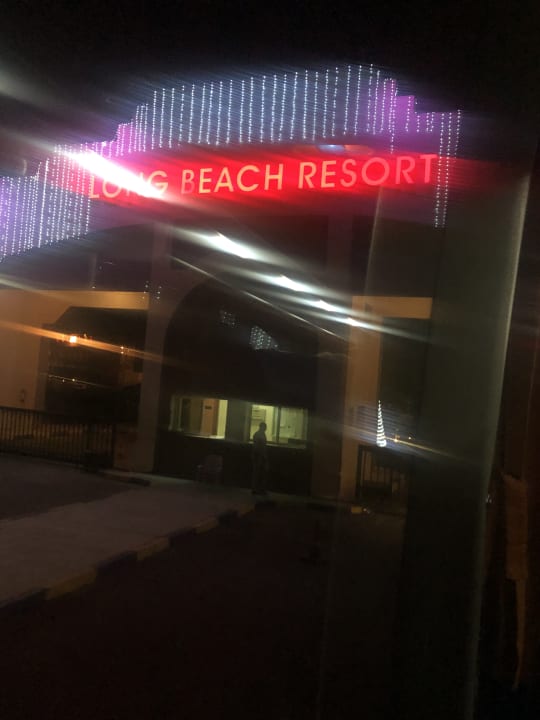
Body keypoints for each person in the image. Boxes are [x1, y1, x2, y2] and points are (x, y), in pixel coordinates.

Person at [251, 421, 269, 494]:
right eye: (265, 427)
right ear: (262, 427)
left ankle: (256, 489)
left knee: (257, 473)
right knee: (260, 473)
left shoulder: (257, 434)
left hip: (258, 456)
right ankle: (259, 489)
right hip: (259, 456)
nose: (265, 429)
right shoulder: (261, 435)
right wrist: (264, 456)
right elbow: (260, 447)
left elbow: (256, 446)